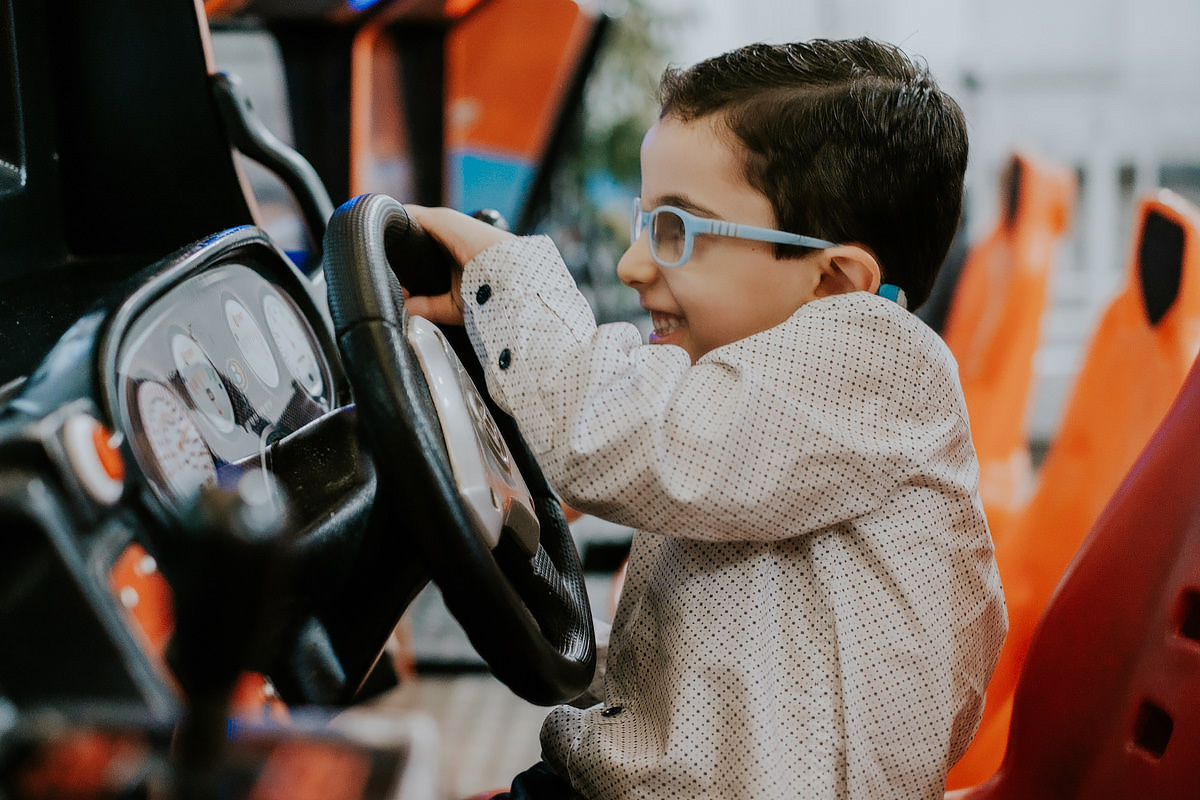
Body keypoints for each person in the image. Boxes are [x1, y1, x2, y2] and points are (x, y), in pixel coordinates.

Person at [404, 37, 1007, 800]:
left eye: (676, 232)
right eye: (644, 220)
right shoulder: (760, 395)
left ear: (834, 282)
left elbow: (630, 438)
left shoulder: (878, 358)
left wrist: (513, 283)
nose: (632, 264)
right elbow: (627, 438)